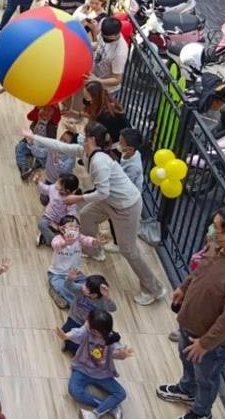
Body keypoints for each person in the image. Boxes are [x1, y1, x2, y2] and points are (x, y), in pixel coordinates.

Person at [157, 207, 225, 419]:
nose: (211, 230)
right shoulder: (217, 248)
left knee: (207, 378)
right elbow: (201, 269)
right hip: (190, 326)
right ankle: (187, 388)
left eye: (216, 227)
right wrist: (184, 287)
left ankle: (202, 412)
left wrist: (205, 343)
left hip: (213, 344)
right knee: (186, 359)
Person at [63, 122, 166, 306]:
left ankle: (154, 289)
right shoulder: (105, 154)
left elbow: (105, 191)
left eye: (122, 142)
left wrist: (77, 198)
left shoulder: (111, 162)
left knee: (129, 250)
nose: (118, 143)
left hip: (126, 206)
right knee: (87, 215)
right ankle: (94, 250)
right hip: (111, 199)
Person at [56, 308, 133, 419]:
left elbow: (117, 351)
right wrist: (66, 336)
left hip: (102, 374)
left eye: (89, 322)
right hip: (82, 369)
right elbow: (77, 333)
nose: (86, 323)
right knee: (74, 391)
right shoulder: (86, 332)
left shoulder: (112, 340)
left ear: (97, 331)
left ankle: (94, 414)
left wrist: (122, 355)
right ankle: (109, 407)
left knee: (121, 394)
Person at [58, 274, 118, 353]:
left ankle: (73, 348)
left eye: (86, 287)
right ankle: (69, 344)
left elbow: (113, 308)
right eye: (85, 284)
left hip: (89, 325)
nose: (83, 286)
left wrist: (107, 298)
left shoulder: (102, 301)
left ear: (94, 294)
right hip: (74, 319)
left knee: (81, 341)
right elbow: (68, 286)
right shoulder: (80, 290)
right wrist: (69, 279)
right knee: (66, 332)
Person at [91, 17, 129, 92]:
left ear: (115, 35)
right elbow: (98, 45)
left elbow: (117, 79)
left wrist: (97, 80)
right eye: (102, 35)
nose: (103, 38)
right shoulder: (105, 32)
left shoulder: (120, 52)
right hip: (95, 77)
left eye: (106, 38)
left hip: (106, 89)